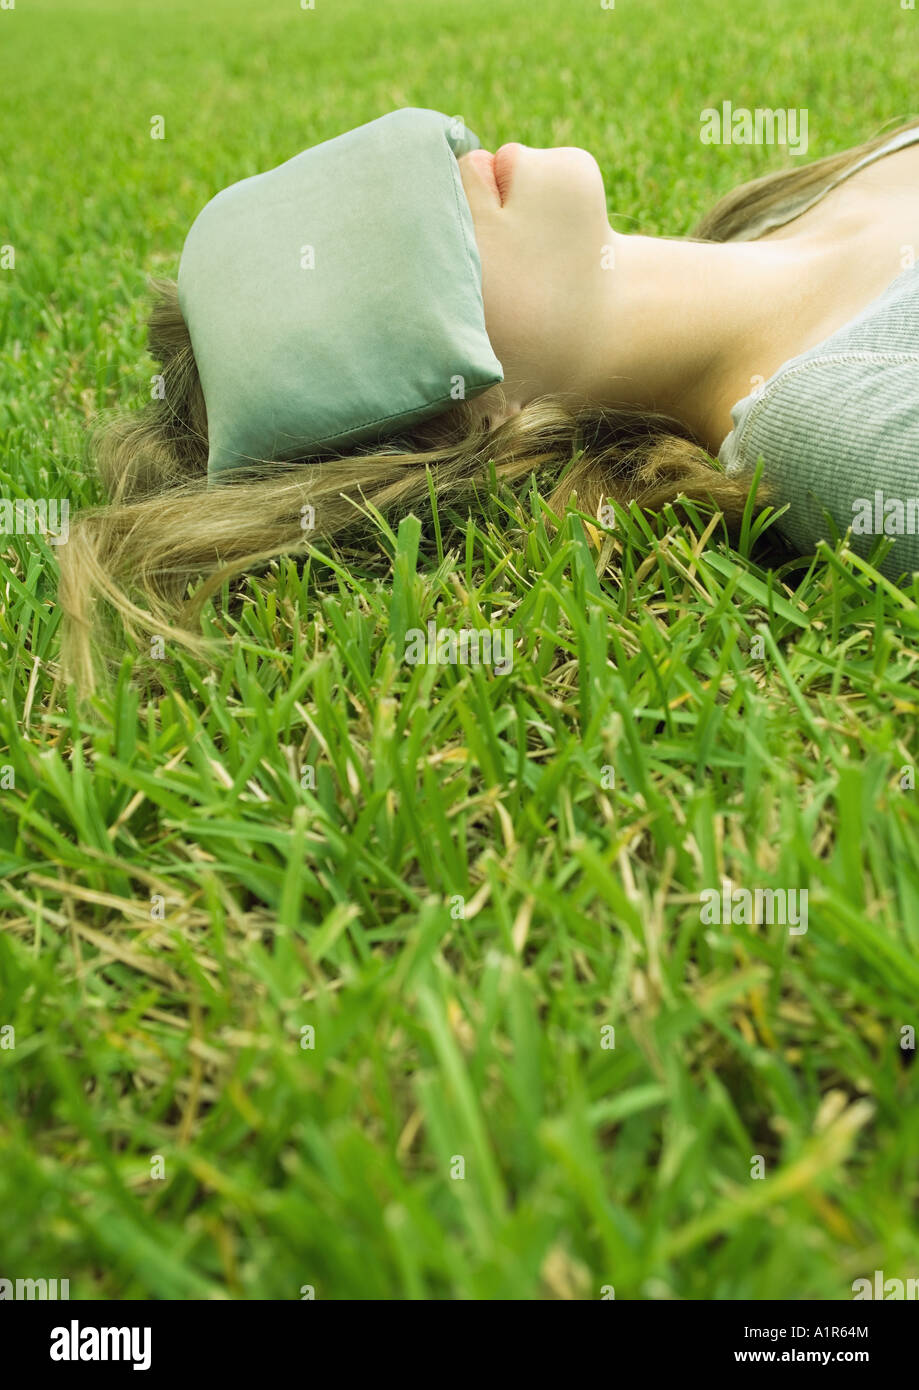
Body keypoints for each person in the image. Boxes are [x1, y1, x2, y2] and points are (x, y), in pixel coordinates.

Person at [58, 112, 919, 689]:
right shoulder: (829, 428)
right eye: (383, 255)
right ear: (467, 415)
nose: (442, 168)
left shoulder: (780, 208)